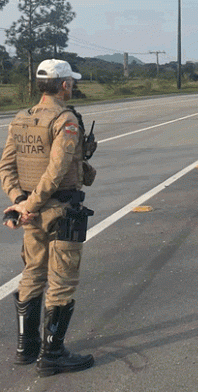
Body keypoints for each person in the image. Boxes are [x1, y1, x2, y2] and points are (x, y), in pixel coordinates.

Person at [0, 59, 96, 376]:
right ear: (65, 84)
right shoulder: (65, 119)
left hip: (31, 212)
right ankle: (52, 354)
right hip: (58, 210)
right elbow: (55, 172)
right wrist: (32, 205)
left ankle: (25, 349)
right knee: (62, 281)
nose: (73, 86)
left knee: (32, 274)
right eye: (72, 82)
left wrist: (19, 202)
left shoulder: (22, 118)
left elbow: (7, 168)